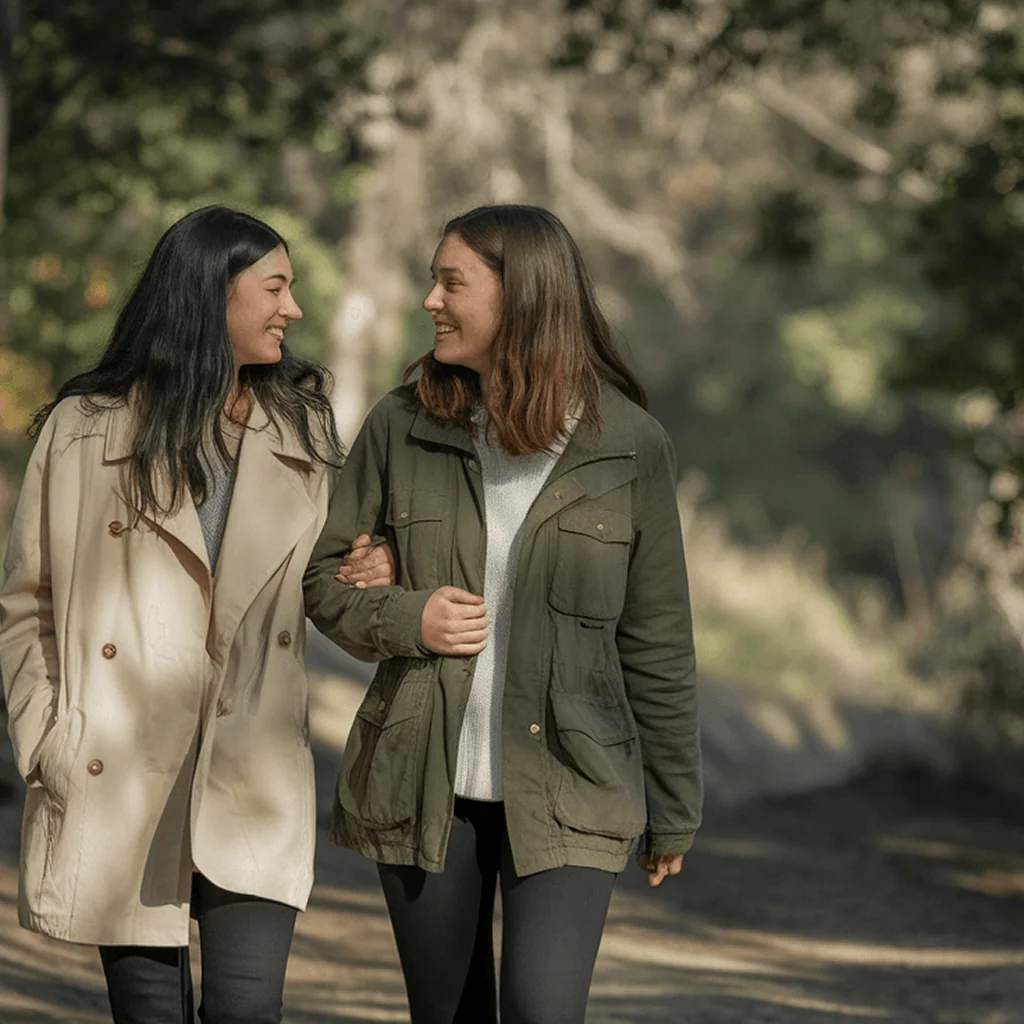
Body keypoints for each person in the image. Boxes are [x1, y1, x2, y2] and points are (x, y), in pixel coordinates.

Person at [307, 203, 702, 1024]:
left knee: (541, 1008)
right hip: (420, 781)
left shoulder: (631, 445)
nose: (430, 301)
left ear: (522, 295)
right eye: (431, 280)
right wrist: (407, 619)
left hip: (573, 784)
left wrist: (674, 805)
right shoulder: (401, 424)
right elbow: (323, 581)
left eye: (451, 281)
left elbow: (657, 641)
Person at [0, 205, 392, 1024]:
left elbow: (330, 582)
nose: (293, 308)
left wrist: (375, 567)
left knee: (249, 1010)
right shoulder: (83, 431)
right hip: (119, 768)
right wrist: (49, 736)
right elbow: (25, 602)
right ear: (211, 296)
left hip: (251, 767)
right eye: (274, 288)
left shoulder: (304, 430)